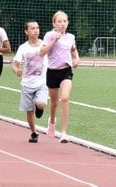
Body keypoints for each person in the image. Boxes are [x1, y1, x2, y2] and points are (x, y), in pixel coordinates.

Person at [39, 10, 79, 143]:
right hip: (52, 72)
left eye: (64, 21)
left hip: (66, 71)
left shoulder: (71, 37)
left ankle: (64, 133)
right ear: (54, 23)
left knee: (65, 99)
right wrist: (54, 40)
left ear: (68, 23)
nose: (62, 24)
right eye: (59, 21)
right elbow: (42, 52)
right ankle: (51, 122)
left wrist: (76, 59)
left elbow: (73, 50)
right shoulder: (49, 35)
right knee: (54, 103)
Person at [12, 20, 49, 143]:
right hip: (27, 84)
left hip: (41, 82)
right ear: (26, 31)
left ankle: (39, 107)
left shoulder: (45, 45)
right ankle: (34, 132)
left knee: (41, 104)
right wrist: (17, 70)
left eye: (37, 28)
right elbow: (15, 64)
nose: (35, 30)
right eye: (32, 28)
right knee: (29, 111)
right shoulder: (23, 48)